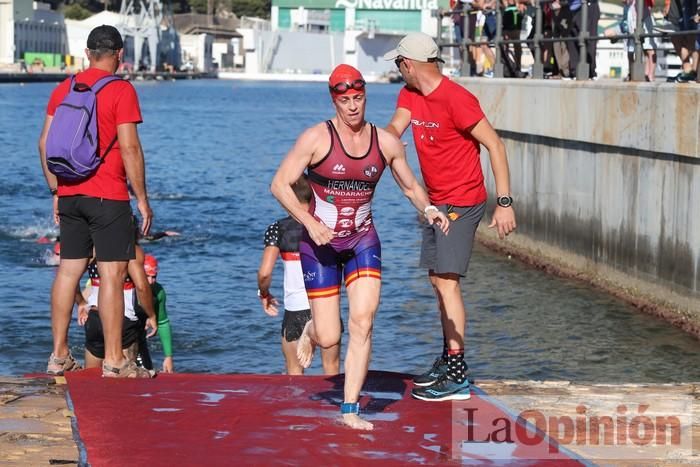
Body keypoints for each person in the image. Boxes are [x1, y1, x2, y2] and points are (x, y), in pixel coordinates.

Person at [270, 64, 449, 430]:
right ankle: (312, 331)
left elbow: (410, 186)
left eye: (358, 98)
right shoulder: (316, 138)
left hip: (363, 241)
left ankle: (350, 409)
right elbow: (279, 185)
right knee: (330, 335)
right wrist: (309, 222)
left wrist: (429, 209)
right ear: (334, 100)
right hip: (320, 245)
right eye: (345, 100)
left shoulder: (384, 142)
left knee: (363, 322)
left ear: (365, 96)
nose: (353, 107)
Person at [384, 33, 516, 402]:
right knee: (436, 280)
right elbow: (396, 126)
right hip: (434, 203)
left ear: (408, 64)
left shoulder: (457, 99)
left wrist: (503, 202)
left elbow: (495, 145)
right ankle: (448, 358)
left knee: (447, 283)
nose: (398, 71)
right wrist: (386, 140)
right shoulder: (410, 95)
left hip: (462, 201)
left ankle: (457, 373)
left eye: (398, 65)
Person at [38, 25, 153, 377]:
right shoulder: (121, 90)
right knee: (112, 274)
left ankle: (59, 355)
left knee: (68, 271)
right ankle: (115, 360)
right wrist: (143, 200)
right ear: (119, 54)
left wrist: (57, 192)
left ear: (87, 53)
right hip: (108, 195)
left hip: (70, 193)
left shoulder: (64, 87)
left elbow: (44, 144)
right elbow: (130, 147)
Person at [258, 175, 341, 376]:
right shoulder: (328, 225)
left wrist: (264, 293)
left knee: (295, 374)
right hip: (326, 305)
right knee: (332, 372)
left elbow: (265, 273)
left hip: (295, 309)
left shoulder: (278, 229)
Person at [78, 244, 157, 377]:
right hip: (122, 319)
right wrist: (151, 315)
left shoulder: (92, 250)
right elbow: (142, 287)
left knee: (91, 377)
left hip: (95, 318)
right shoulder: (131, 250)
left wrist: (80, 302)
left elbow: (70, 277)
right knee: (123, 379)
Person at [136, 254, 175, 373]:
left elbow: (163, 323)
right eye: (147, 276)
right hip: (122, 336)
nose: (151, 281)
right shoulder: (128, 288)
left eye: (154, 277)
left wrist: (168, 357)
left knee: (148, 373)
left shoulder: (158, 292)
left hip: (139, 337)